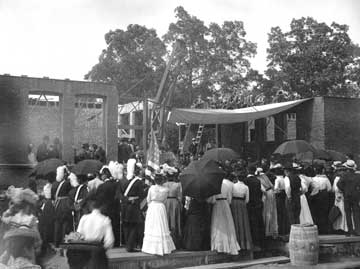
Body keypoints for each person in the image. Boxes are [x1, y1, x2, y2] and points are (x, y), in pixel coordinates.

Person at [74, 194, 114, 269]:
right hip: (98, 253)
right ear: (102, 206)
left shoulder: (84, 218)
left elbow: (78, 236)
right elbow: (110, 241)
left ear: (90, 206)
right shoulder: (105, 220)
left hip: (85, 253)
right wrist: (102, 249)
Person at [142, 173, 176, 255]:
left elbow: (148, 199)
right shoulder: (166, 190)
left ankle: (151, 248)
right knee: (161, 225)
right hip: (161, 207)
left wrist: (150, 204)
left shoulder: (152, 188)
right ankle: (164, 247)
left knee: (153, 225)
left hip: (153, 206)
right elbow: (164, 200)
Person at [207, 174, 240, 255]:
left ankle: (219, 245)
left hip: (217, 205)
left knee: (218, 224)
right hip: (225, 204)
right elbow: (229, 199)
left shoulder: (213, 186)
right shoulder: (226, 185)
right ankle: (229, 244)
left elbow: (212, 200)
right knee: (228, 224)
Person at [96, 167, 120, 247]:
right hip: (114, 208)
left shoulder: (101, 186)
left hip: (104, 208)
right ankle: (116, 242)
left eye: (102, 175)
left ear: (105, 175)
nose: (101, 176)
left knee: (106, 226)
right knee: (115, 225)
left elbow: (98, 198)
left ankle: (105, 241)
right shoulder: (115, 184)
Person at [231, 170, 253, 250]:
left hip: (234, 203)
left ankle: (236, 241)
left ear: (237, 178)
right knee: (243, 222)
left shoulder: (233, 186)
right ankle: (244, 243)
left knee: (235, 221)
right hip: (242, 204)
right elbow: (247, 200)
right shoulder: (246, 187)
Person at [337, 160, 360, 235]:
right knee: (356, 213)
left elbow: (339, 184)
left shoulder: (344, 175)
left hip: (347, 195)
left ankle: (349, 230)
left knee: (348, 213)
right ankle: (357, 230)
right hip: (356, 195)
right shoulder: (357, 176)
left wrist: (344, 190)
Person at [244, 165, 265, 249]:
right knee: (258, 222)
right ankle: (260, 241)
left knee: (251, 223)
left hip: (250, 204)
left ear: (247, 170)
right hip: (258, 203)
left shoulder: (246, 181)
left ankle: (253, 241)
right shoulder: (257, 180)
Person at [51, 165, 72, 247]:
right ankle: (64, 242)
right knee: (65, 224)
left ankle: (56, 242)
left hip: (56, 204)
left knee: (57, 223)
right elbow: (70, 193)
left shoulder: (54, 184)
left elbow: (52, 195)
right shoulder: (67, 183)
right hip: (65, 204)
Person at [163, 166, 182, 247]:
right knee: (174, 221)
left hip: (166, 202)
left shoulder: (164, 184)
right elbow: (180, 197)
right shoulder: (177, 185)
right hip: (174, 202)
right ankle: (175, 241)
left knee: (167, 220)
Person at [309, 164, 332, 234]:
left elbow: (310, 188)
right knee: (324, 212)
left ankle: (316, 228)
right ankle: (324, 229)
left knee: (315, 212)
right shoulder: (326, 179)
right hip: (323, 196)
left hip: (315, 195)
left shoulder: (312, 179)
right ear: (322, 170)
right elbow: (329, 189)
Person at [256, 167, 278, 238]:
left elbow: (263, 190)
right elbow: (272, 186)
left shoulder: (259, 178)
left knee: (266, 212)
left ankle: (267, 231)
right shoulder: (265, 177)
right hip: (271, 193)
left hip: (267, 195)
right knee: (272, 212)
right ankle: (272, 230)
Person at [273, 164, 290, 235]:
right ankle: (285, 229)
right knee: (284, 212)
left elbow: (276, 188)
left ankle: (280, 230)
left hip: (279, 196)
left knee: (279, 212)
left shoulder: (277, 179)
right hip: (284, 195)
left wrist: (274, 191)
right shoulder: (284, 178)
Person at [332, 162, 348, 233]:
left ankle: (341, 227)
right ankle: (343, 227)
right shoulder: (340, 178)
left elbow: (334, 189)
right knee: (341, 212)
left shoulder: (337, 179)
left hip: (339, 197)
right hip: (341, 197)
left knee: (341, 212)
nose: (342, 172)